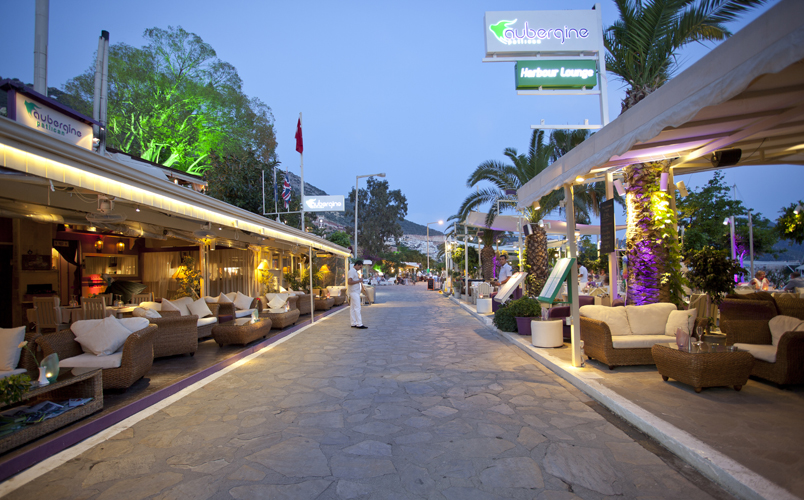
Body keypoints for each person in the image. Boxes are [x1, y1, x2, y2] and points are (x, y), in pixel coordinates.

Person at [348, 261, 368, 329]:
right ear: (356, 265)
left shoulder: (354, 271)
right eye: (360, 267)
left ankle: (353, 322)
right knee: (357, 307)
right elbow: (349, 282)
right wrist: (359, 280)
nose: (360, 268)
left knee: (353, 308)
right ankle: (359, 323)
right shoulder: (352, 271)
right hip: (354, 292)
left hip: (354, 291)